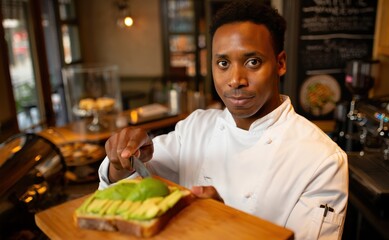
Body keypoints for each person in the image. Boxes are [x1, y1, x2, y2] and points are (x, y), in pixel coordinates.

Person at [98, 0, 348, 239]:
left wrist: (225, 225)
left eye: (253, 62)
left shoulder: (321, 159)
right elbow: (131, 186)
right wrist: (121, 161)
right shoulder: (195, 127)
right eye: (223, 63)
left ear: (280, 63)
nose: (235, 79)